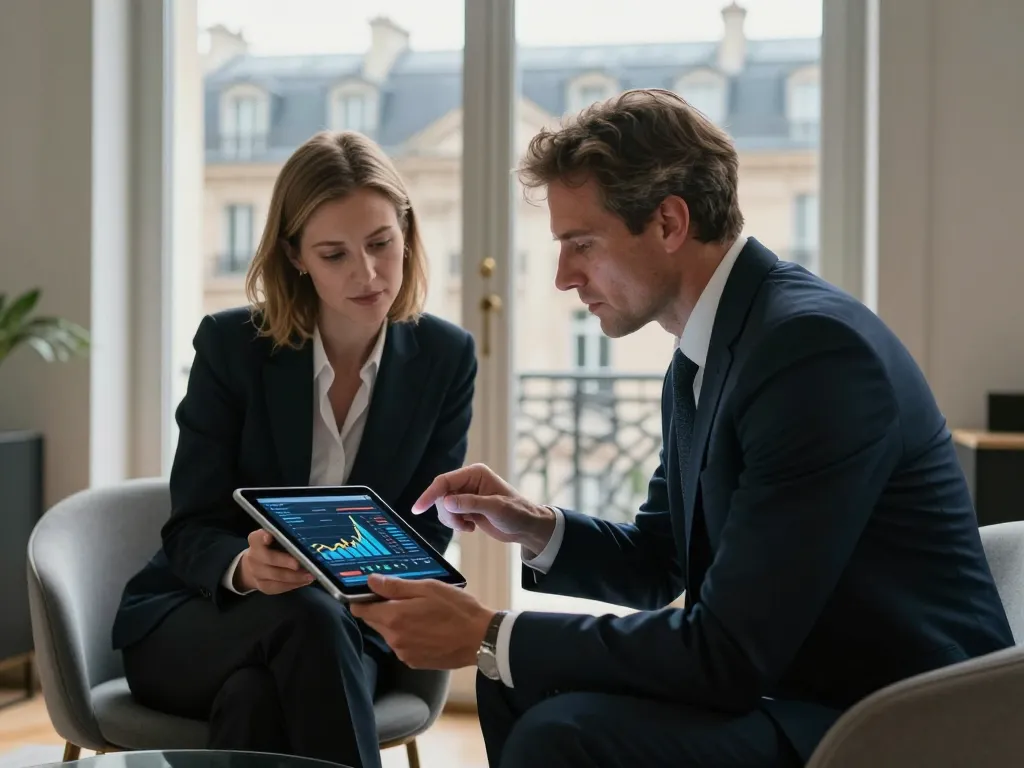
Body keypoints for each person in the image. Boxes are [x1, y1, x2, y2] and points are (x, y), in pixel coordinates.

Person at [348, 89, 1015, 768]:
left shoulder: (811, 355)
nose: (561, 276)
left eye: (581, 244)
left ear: (669, 222)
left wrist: (490, 634)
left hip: (898, 722)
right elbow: (660, 559)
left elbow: (726, 653)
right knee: (521, 682)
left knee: (558, 723)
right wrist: (534, 525)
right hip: (799, 687)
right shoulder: (715, 347)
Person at [111, 130, 477, 768]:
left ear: (408, 233)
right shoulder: (232, 346)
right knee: (302, 617)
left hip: (347, 633)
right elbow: (191, 526)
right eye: (334, 254)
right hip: (197, 622)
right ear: (295, 256)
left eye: (381, 244)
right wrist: (246, 569)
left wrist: (358, 584)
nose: (366, 273)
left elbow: (423, 533)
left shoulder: (445, 358)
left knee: (255, 699)